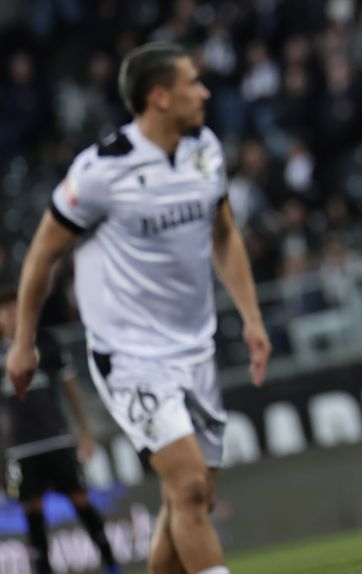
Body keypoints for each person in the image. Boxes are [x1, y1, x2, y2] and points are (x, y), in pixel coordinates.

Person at [4, 42, 271, 574]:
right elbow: (42, 252)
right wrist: (24, 341)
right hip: (128, 355)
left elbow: (224, 235)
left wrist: (252, 317)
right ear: (159, 97)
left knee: (187, 497)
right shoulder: (102, 170)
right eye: (192, 82)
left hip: (193, 346)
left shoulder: (206, 150)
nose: (204, 91)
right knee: (190, 484)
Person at [0, 286, 121, 574]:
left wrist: (85, 432)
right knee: (33, 514)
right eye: (5, 309)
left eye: (16, 306)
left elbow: (71, 389)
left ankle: (112, 565)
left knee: (82, 502)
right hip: (20, 447)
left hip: (56, 438)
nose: (11, 314)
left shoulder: (44, 341)